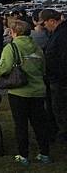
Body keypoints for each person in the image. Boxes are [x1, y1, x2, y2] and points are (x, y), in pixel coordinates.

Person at [0, 20, 50, 165]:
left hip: (19, 92)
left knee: (21, 124)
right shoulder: (37, 48)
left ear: (14, 32)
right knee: (40, 124)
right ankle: (44, 153)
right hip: (38, 90)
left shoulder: (11, 47)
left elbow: (3, 68)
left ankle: (23, 155)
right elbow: (43, 69)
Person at [39, 9, 67, 145]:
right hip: (57, 78)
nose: (43, 27)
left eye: (44, 24)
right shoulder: (58, 33)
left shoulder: (61, 35)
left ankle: (63, 135)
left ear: (51, 21)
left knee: (60, 109)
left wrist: (56, 76)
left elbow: (62, 59)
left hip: (60, 80)